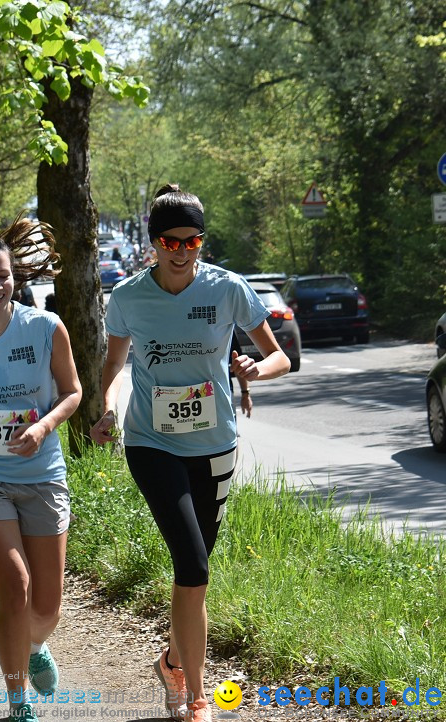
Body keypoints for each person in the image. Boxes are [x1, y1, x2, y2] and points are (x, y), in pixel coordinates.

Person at [89, 184, 289, 722]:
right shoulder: (128, 297)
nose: (181, 251)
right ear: (153, 243)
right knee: (193, 565)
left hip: (216, 444)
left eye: (192, 240)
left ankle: (172, 658)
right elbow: (113, 371)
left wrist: (255, 369)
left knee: (196, 572)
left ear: (202, 240)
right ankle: (194, 694)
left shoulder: (229, 290)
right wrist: (106, 410)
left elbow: (280, 359)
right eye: (169, 242)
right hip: (152, 443)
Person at [0, 217, 81, 722]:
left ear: (15, 278)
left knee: (47, 608)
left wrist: (44, 427)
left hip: (42, 473)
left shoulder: (45, 327)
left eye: (2, 275)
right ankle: (17, 701)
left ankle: (34, 646)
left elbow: (72, 392)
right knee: (16, 587)